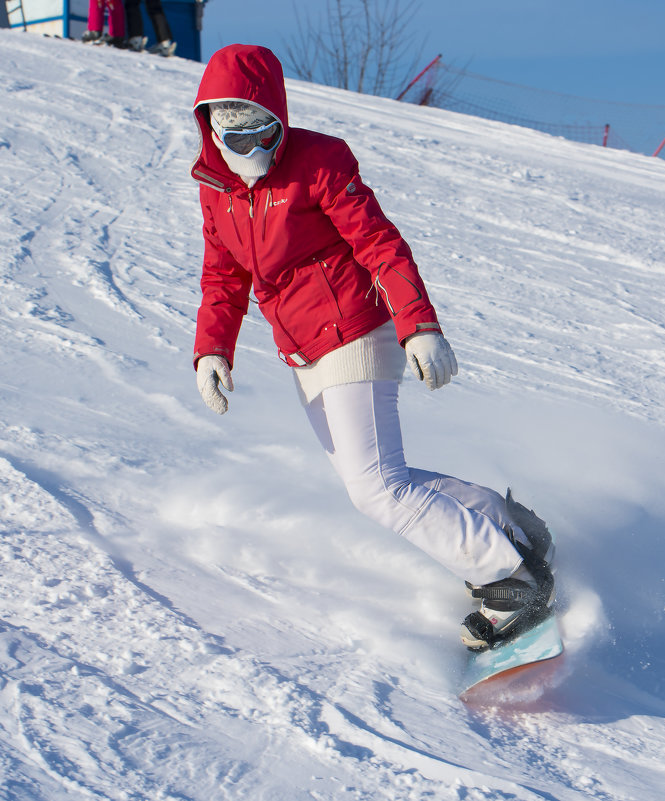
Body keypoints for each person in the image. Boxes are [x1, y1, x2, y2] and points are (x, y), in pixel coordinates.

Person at [189, 44, 555, 651]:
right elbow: (223, 276)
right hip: (302, 350)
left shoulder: (319, 162)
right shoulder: (216, 189)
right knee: (382, 481)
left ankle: (510, 577)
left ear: (278, 118)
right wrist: (211, 352)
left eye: (261, 134)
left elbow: (380, 244)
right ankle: (498, 519)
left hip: (354, 329)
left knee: (376, 489)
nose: (249, 152)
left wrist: (420, 326)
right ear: (210, 127)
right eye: (234, 138)